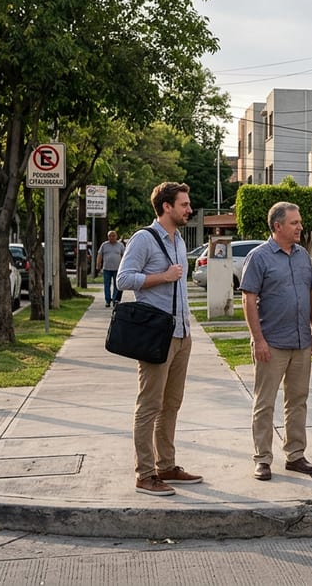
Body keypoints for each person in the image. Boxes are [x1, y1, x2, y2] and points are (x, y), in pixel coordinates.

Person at [116, 182, 202, 496]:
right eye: (184, 205)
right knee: (149, 405)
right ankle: (145, 473)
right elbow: (124, 278)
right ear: (167, 206)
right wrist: (162, 277)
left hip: (182, 333)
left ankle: (166, 465)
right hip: (156, 335)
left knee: (172, 404)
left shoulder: (179, 240)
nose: (189, 210)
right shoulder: (144, 239)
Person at [240, 202, 312, 480]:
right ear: (277, 226)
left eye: (299, 222)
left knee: (298, 400)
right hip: (270, 343)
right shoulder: (258, 257)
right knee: (264, 402)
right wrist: (258, 339)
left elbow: (311, 296)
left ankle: (295, 455)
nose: (300, 227)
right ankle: (262, 459)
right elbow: (248, 300)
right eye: (294, 223)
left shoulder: (302, 256)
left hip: (300, 341)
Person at [96, 230, 125, 308]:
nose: (112, 237)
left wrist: (124, 267)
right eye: (110, 236)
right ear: (108, 237)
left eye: (113, 236)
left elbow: (124, 256)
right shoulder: (104, 245)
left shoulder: (120, 245)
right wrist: (98, 265)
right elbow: (99, 255)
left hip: (117, 269)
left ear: (116, 236)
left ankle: (115, 300)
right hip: (107, 269)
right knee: (107, 285)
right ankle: (108, 301)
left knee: (117, 285)